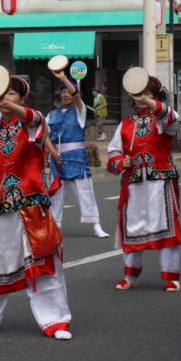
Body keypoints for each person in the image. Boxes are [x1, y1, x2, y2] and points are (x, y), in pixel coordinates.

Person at [0, 76, 73, 339]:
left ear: (22, 99)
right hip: (3, 213)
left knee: (43, 266)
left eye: (11, 94)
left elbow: (35, 121)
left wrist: (10, 106)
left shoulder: (34, 125)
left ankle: (55, 320)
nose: (6, 99)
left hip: (33, 211)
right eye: (2, 95)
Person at [108, 75, 181, 292]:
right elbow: (113, 151)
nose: (141, 98)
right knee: (132, 227)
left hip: (160, 181)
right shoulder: (125, 124)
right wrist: (121, 161)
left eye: (147, 94)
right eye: (138, 94)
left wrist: (148, 100)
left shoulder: (163, 119)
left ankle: (171, 276)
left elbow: (170, 116)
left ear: (155, 96)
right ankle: (131, 275)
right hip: (133, 183)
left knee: (164, 226)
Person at [45, 68, 110, 238]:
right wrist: (52, 152)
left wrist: (63, 77)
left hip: (76, 158)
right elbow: (45, 137)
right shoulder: (51, 115)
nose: (66, 94)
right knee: (56, 194)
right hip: (57, 159)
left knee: (85, 192)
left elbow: (77, 97)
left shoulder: (80, 112)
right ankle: (54, 225)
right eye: (63, 91)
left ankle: (96, 225)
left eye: (69, 92)